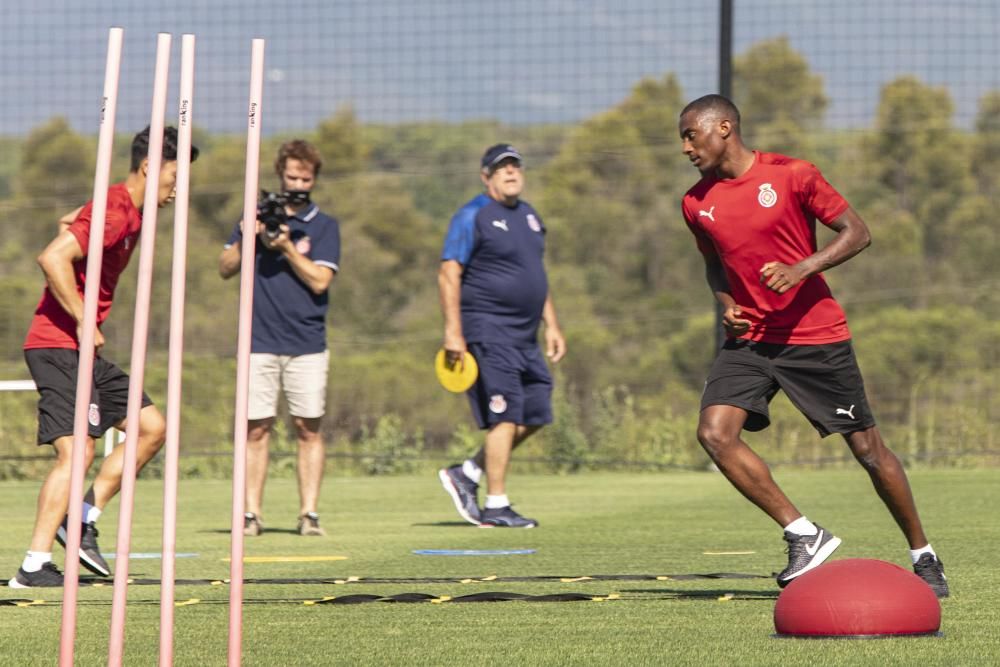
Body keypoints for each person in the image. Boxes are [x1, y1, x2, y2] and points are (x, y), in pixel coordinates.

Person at [677, 94, 948, 597]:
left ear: (724, 128)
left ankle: (923, 554)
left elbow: (857, 232)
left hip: (814, 337)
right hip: (752, 340)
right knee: (715, 433)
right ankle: (803, 533)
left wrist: (802, 268)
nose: (686, 148)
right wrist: (725, 304)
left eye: (692, 135)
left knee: (868, 451)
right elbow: (714, 263)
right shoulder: (696, 203)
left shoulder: (792, 174)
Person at [9, 126, 199, 588]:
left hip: (79, 348)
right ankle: (33, 565)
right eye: (176, 174)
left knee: (151, 427)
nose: (179, 188)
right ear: (151, 166)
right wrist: (82, 318)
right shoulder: (116, 212)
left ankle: (81, 517)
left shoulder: (122, 210)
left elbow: (67, 225)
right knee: (78, 451)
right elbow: (52, 256)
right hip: (57, 343)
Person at [437, 144, 566, 528]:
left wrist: (553, 324)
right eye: (501, 168)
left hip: (525, 337)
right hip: (488, 330)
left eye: (515, 166)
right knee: (505, 414)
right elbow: (448, 274)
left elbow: (535, 275)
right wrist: (453, 334)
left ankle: (468, 473)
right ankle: (495, 505)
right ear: (486, 177)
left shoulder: (529, 216)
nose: (511, 172)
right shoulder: (471, 216)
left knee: (537, 411)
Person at [219, 139, 340, 538]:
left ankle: (309, 514)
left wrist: (286, 246)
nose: (297, 184)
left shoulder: (324, 226)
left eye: (305, 178)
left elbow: (321, 280)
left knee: (308, 428)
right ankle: (251, 514)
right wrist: (248, 238)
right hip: (258, 340)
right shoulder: (253, 216)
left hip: (307, 342)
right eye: (291, 176)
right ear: (280, 174)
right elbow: (225, 267)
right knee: (256, 428)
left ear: (315, 178)